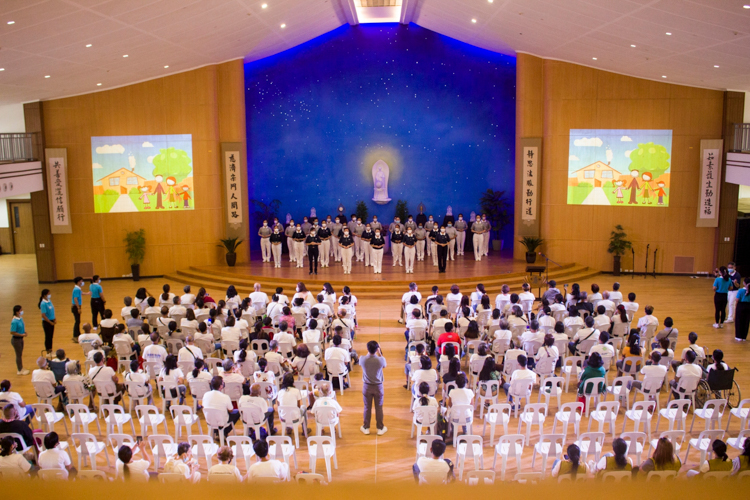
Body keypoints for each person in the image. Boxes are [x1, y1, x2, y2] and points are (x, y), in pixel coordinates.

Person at [360, 340, 387, 435]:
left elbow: (366, 357)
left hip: (367, 386)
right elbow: (385, 365)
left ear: (367, 348)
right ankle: (380, 428)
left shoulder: (362, 359)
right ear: (377, 349)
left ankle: (366, 427)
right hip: (378, 386)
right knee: (379, 408)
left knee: (367, 407)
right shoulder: (381, 360)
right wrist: (380, 353)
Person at [10, 305, 29, 375]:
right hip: (16, 340)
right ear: (17, 312)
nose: (22, 311)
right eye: (21, 310)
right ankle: (19, 370)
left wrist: (24, 332)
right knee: (18, 355)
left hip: (21, 339)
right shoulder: (14, 321)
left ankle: (21, 367)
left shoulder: (20, 318)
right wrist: (21, 335)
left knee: (20, 354)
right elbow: (12, 332)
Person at [71, 276, 88, 341]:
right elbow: (75, 299)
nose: (82, 282)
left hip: (77, 306)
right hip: (76, 306)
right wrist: (78, 308)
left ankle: (78, 333)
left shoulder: (78, 289)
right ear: (78, 282)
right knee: (77, 321)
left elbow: (81, 293)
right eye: (81, 281)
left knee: (78, 321)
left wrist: (87, 293)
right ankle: (75, 335)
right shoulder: (76, 289)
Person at [734, 277, 750, 341]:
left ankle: (738, 336)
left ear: (744, 283)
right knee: (746, 321)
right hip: (748, 306)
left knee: (739, 320)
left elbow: (737, 299)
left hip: (741, 305)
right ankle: (744, 337)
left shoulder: (741, 290)